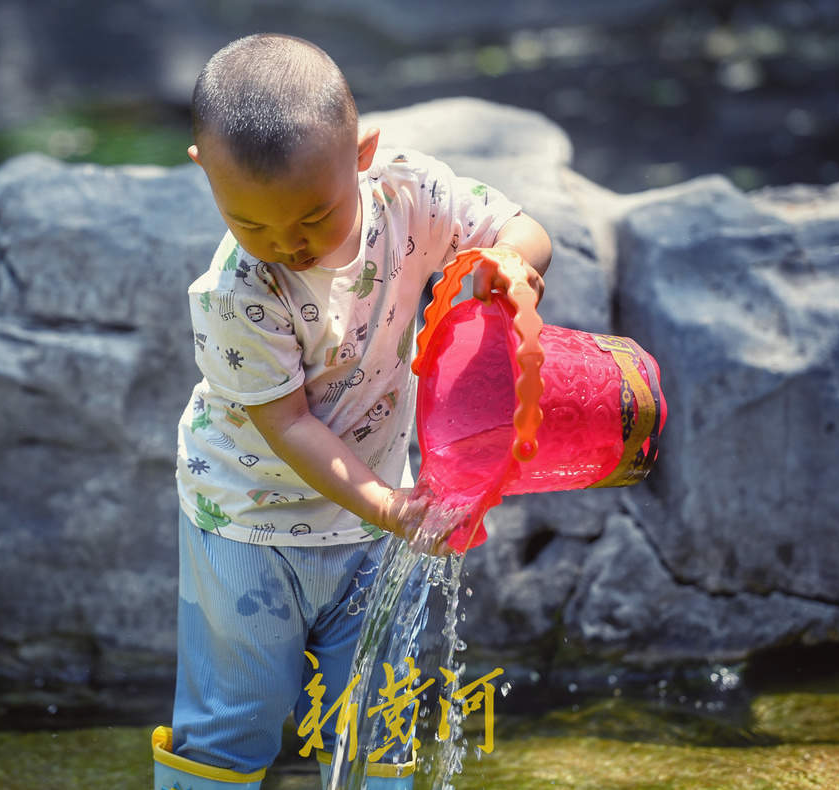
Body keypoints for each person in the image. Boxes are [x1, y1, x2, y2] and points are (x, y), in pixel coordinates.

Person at [151, 32, 552, 790]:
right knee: (234, 723)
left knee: (379, 716)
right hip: (247, 518)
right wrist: (391, 508)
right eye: (253, 225)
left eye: (313, 217)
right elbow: (289, 423)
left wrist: (511, 264)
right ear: (205, 172)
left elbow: (520, 229)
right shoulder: (237, 294)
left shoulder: (411, 197)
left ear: (362, 153)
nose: (287, 245)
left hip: (371, 516)